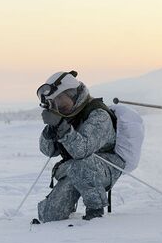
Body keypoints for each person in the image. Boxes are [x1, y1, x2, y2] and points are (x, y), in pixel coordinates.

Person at [36, 71, 124, 222]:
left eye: (60, 101)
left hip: (105, 167)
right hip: (75, 168)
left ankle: (95, 212)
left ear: (72, 94)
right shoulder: (66, 116)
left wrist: (61, 127)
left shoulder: (98, 115)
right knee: (50, 215)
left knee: (81, 164)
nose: (58, 106)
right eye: (53, 103)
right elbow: (48, 152)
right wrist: (49, 132)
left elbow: (81, 151)